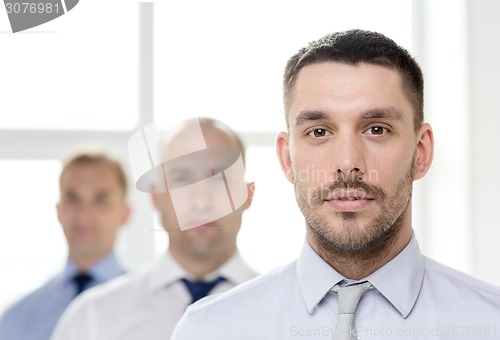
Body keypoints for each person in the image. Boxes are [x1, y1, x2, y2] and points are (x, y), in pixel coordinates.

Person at [171, 30, 500, 340]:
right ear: (287, 159)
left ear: (421, 152)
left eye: (376, 130)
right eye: (319, 132)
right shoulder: (208, 330)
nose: (347, 162)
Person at [50, 117, 258, 340]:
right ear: (156, 196)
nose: (201, 201)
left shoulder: (291, 313)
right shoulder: (90, 320)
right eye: (181, 179)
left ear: (247, 195)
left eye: (220, 179)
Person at [0, 149, 131, 340]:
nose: (83, 216)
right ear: (59, 210)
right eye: (72, 198)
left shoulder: (158, 307)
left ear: (125, 213)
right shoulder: (16, 319)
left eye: (101, 199)